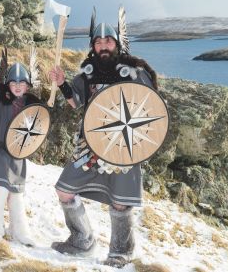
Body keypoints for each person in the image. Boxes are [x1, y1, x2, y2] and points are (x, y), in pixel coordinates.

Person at [49, 17, 158, 267]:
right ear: (93, 46)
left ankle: (121, 251)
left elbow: (149, 108)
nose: (103, 45)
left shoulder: (135, 73)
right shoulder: (87, 73)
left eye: (108, 40)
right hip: (90, 146)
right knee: (64, 191)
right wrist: (61, 83)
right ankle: (82, 240)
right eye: (98, 42)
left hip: (124, 146)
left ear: (117, 43)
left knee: (120, 202)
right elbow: (76, 102)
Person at [0, 62, 39, 246]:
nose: (18, 86)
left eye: (22, 83)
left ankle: (19, 230)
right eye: (13, 83)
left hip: (18, 156)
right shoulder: (2, 99)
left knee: (17, 194)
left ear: (27, 85)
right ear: (7, 85)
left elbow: (37, 127)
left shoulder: (30, 104)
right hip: (0, 153)